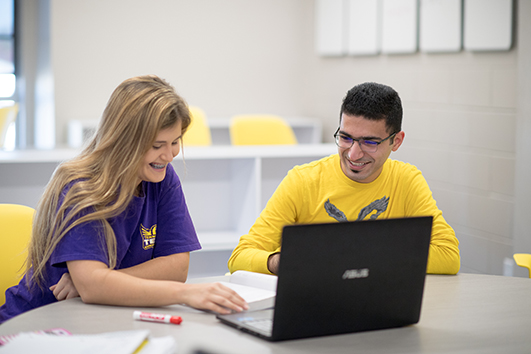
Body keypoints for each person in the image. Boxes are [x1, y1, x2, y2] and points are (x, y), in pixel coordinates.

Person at [0, 75, 247, 324]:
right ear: (123, 142)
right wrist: (184, 294)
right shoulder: (81, 188)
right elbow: (94, 287)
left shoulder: (160, 177)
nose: (169, 155)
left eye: (175, 142)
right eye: (157, 145)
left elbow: (177, 267)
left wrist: (102, 281)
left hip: (98, 319)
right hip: (31, 324)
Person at [228, 82, 460, 275]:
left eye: (370, 142)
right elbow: (239, 257)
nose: (353, 154)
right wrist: (282, 261)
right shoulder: (303, 181)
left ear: (396, 141)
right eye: (346, 137)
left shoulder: (406, 180)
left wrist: (354, 255)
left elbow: (448, 256)